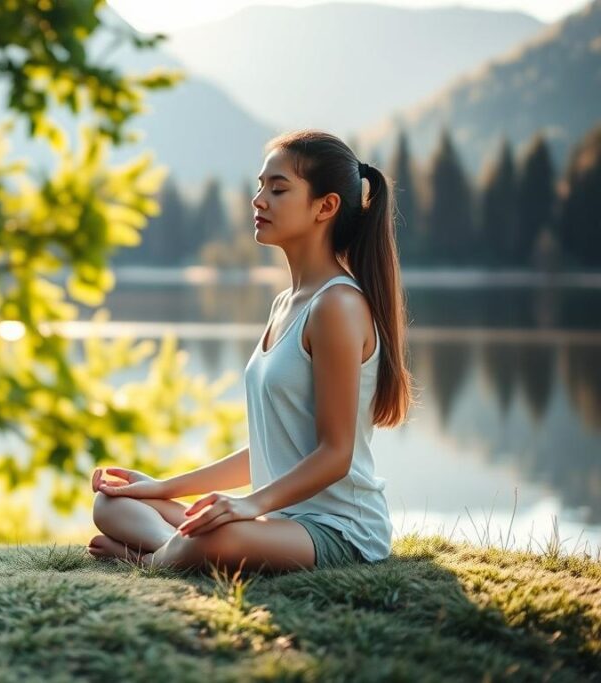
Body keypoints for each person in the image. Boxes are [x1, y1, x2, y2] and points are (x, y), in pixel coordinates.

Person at [87, 129, 415, 574]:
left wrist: (248, 504)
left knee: (221, 533)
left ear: (326, 206)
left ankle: (150, 559)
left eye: (278, 189)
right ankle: (171, 550)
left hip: (338, 531)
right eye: (260, 186)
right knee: (111, 504)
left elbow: (335, 454)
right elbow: (266, 450)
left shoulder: (337, 306)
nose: (259, 200)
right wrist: (162, 488)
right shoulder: (286, 303)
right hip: (277, 522)